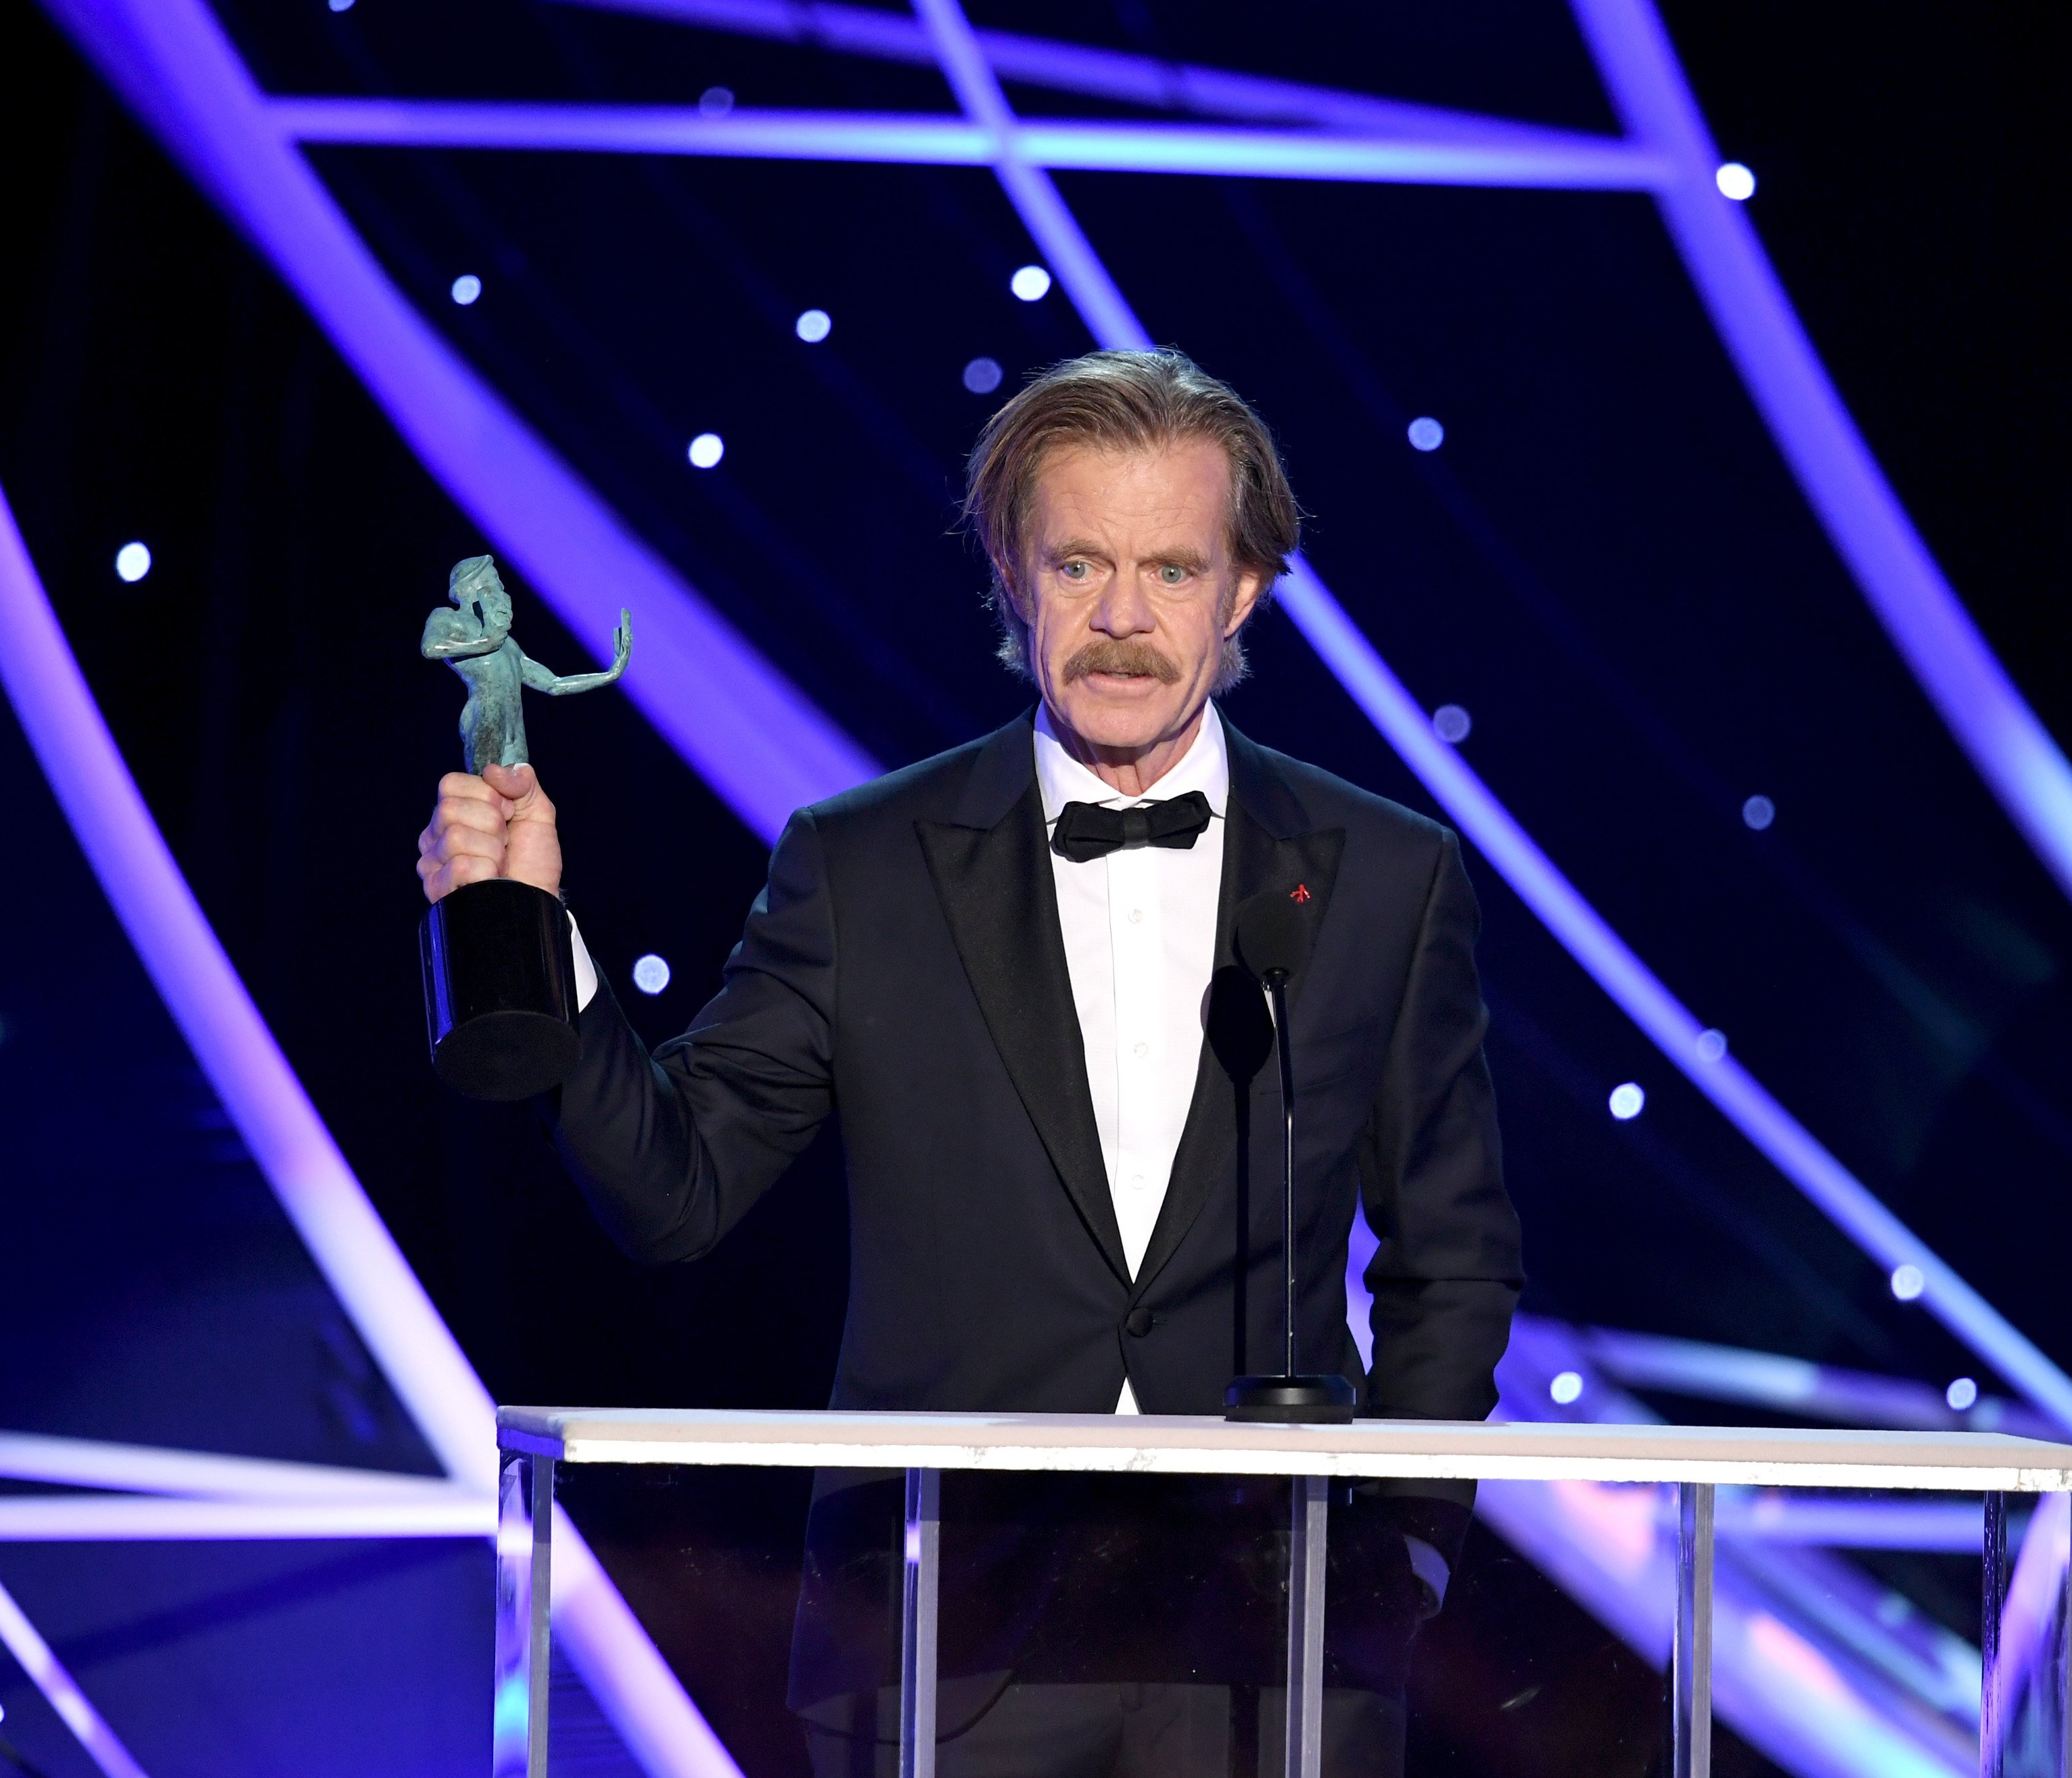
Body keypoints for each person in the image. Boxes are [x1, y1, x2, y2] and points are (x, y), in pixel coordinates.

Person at [417, 348, 1522, 1775]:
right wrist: (532, 936)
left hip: (1273, 1655)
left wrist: (1403, 1563)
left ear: (1244, 590)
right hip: (937, 1644)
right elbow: (674, 1190)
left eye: (1172, 572)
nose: (1121, 619)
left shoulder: (1385, 873)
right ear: (1010, 568)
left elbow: (1453, 1256)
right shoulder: (861, 864)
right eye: (1076, 564)